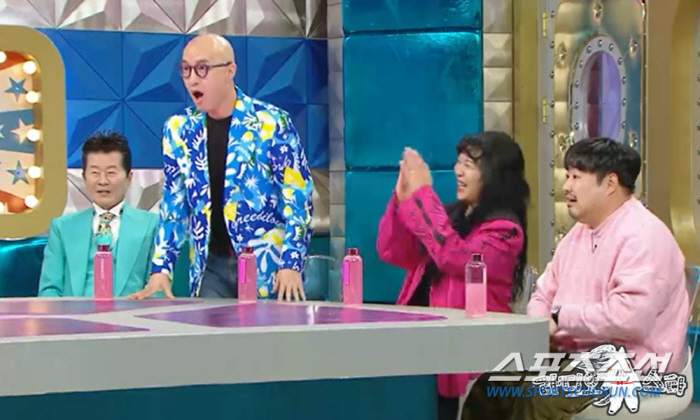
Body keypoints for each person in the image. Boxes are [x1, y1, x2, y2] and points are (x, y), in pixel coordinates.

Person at [460, 137, 690, 419]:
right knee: (491, 387)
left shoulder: (644, 236)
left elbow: (630, 319)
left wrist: (560, 318)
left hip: (630, 363)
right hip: (573, 356)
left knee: (538, 398)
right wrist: (541, 325)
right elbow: (543, 294)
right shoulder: (577, 235)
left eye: (576, 177)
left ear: (610, 183)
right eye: (567, 176)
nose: (566, 186)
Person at [128, 34, 313, 301]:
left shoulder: (271, 123)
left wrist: (291, 263)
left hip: (267, 267)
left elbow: (298, 199)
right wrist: (161, 270)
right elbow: (174, 206)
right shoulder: (179, 130)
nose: (192, 79)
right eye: (186, 69)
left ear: (229, 71)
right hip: (209, 266)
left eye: (202, 69)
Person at [376, 131, 530, 420]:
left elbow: (456, 258)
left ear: (494, 174)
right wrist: (401, 200)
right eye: (458, 162)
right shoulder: (448, 218)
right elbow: (393, 251)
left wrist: (423, 195)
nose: (458, 171)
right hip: (425, 351)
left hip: (471, 360)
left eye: (469, 165)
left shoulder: (505, 231)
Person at [38, 131, 160, 297]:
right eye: (95, 173)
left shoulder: (152, 225)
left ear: (129, 177)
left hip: (130, 311)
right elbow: (49, 289)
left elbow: (157, 290)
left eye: (111, 173)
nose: (103, 181)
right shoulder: (63, 227)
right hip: (73, 313)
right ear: (84, 177)